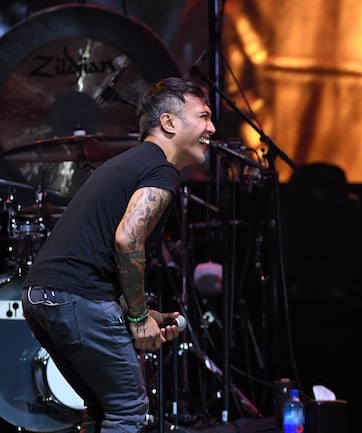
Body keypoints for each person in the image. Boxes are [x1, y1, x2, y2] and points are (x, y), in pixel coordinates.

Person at [21, 77, 216, 432]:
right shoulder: (160, 169)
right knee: (128, 411)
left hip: (42, 298)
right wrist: (139, 318)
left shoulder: (128, 163)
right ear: (168, 123)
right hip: (76, 298)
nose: (212, 128)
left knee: (101, 407)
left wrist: (136, 310)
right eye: (203, 117)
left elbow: (96, 254)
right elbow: (127, 240)